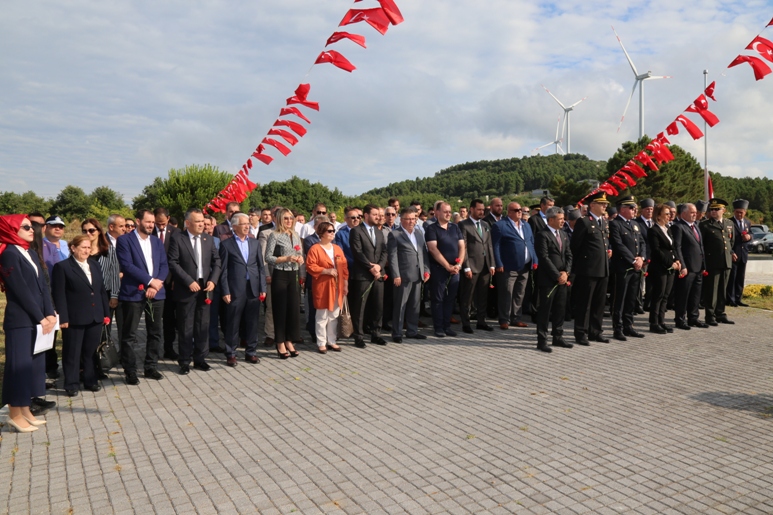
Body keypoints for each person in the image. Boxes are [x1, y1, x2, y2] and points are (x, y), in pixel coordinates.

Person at [0, 215, 57, 432]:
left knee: (32, 367)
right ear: (12, 229)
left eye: (31, 226)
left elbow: (43, 285)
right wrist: (40, 317)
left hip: (37, 320)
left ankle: (25, 410)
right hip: (21, 321)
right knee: (18, 368)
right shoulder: (9, 254)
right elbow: (20, 291)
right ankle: (15, 414)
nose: (32, 229)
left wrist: (50, 313)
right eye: (26, 226)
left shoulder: (30, 252)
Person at [51, 235, 111, 396]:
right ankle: (71, 383)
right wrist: (63, 317)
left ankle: (90, 380)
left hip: (95, 316)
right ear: (73, 248)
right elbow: (59, 295)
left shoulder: (94, 264)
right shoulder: (62, 267)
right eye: (83, 247)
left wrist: (106, 313)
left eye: (88, 247)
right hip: (74, 317)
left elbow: (100, 291)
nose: (86, 250)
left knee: (90, 351)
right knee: (72, 351)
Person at [116, 209, 169, 385]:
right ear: (138, 221)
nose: (151, 225)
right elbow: (127, 265)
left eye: (153, 222)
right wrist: (150, 281)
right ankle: (130, 370)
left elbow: (164, 264)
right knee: (129, 334)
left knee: (155, 332)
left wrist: (157, 283)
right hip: (133, 293)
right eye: (148, 222)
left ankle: (151, 367)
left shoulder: (156, 241)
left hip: (157, 292)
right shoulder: (124, 240)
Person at [167, 208, 222, 374]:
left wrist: (213, 280)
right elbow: (173, 263)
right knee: (186, 326)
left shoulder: (208, 239)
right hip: (186, 288)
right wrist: (188, 281)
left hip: (205, 288)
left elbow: (217, 261)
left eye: (202, 221)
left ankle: (200, 359)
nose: (202, 224)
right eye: (198, 222)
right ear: (188, 223)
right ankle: (184, 361)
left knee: (202, 325)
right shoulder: (178, 239)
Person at [219, 213, 267, 365]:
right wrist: (225, 290)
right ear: (234, 227)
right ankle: (231, 353)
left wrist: (262, 287)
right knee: (233, 322)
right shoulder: (226, 245)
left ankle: (251, 352)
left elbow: (260, 267)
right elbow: (223, 270)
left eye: (248, 223)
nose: (247, 226)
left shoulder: (254, 243)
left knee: (252, 322)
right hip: (235, 289)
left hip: (252, 288)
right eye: (243, 224)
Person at [570, 192, 612, 345]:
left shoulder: (604, 222)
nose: (605, 206)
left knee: (599, 304)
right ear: (592, 205)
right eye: (602, 204)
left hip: (603, 268)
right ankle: (581, 333)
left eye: (605, 204)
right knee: (585, 304)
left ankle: (596, 331)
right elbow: (575, 246)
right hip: (588, 269)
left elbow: (605, 242)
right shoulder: (584, 222)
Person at [387, 207, 430, 342]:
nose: (412, 221)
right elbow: (392, 257)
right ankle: (397, 333)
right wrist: (396, 275)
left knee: (415, 305)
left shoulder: (418, 233)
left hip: (418, 275)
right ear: (402, 219)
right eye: (409, 219)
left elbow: (423, 253)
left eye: (414, 219)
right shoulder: (395, 234)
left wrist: (426, 270)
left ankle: (412, 331)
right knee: (400, 306)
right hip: (403, 276)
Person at [491, 202, 536, 330]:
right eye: (517, 210)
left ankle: (516, 318)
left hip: (525, 266)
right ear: (509, 212)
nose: (520, 212)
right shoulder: (500, 226)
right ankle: (504, 319)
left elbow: (531, 243)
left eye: (521, 210)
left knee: (520, 293)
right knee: (506, 293)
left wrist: (534, 259)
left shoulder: (526, 225)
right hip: (508, 266)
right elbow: (496, 246)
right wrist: (499, 263)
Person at [265, 209, 303, 358]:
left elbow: (299, 253)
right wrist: (286, 258)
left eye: (291, 218)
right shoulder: (274, 235)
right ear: (280, 219)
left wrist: (300, 259)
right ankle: (279, 342)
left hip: (293, 273)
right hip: (280, 274)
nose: (289, 221)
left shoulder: (295, 235)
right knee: (280, 310)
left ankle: (289, 340)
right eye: (286, 218)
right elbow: (268, 257)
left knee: (293, 310)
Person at [348, 204, 388, 348]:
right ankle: (358, 336)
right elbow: (357, 253)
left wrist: (379, 266)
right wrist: (371, 267)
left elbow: (384, 251)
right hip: (363, 275)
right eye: (375, 214)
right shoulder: (356, 231)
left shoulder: (379, 232)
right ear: (366, 215)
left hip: (378, 275)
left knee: (378, 306)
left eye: (379, 214)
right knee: (360, 307)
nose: (378, 217)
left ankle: (376, 334)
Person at [305, 221, 349, 353]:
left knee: (334, 314)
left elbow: (344, 267)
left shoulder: (337, 248)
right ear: (322, 233)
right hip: (323, 286)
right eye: (329, 231)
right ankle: (321, 342)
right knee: (322, 315)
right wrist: (326, 271)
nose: (332, 233)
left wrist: (345, 283)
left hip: (337, 286)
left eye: (333, 230)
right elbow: (310, 266)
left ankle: (332, 340)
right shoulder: (315, 248)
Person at [534, 207, 573, 352]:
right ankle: (542, 340)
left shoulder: (563, 234)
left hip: (563, 279)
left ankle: (558, 336)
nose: (563, 221)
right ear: (551, 220)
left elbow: (569, 254)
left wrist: (566, 273)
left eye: (564, 218)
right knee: (545, 310)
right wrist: (557, 275)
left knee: (560, 309)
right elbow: (543, 258)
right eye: (560, 219)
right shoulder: (542, 235)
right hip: (548, 280)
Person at [609, 196, 647, 341]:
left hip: (636, 267)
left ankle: (628, 325)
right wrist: (632, 260)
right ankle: (617, 328)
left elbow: (642, 242)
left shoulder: (634, 224)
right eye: (632, 208)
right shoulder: (615, 224)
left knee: (631, 298)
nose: (634, 210)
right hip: (623, 267)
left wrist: (641, 258)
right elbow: (618, 245)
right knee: (620, 299)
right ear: (623, 209)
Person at [424, 202, 465, 337]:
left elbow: (462, 247)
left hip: (455, 270)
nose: (448, 214)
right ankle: (438, 327)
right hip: (439, 269)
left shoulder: (455, 227)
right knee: (438, 299)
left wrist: (458, 265)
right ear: (437, 212)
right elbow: (433, 249)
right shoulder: (432, 229)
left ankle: (447, 326)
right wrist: (447, 266)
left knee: (450, 299)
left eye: (449, 211)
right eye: (445, 211)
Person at [458, 199, 495, 333]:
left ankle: (481, 321)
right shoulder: (464, 225)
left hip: (485, 266)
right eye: (479, 209)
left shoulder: (485, 224)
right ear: (471, 209)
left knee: (483, 296)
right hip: (471, 266)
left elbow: (489, 245)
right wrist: (466, 266)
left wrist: (492, 264)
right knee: (467, 297)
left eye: (483, 209)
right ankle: (466, 323)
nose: (481, 212)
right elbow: (464, 247)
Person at [672, 203, 707, 330]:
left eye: (695, 212)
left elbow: (700, 246)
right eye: (692, 212)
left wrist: (703, 265)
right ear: (684, 213)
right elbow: (677, 247)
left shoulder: (696, 226)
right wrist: (683, 265)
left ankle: (693, 317)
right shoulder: (678, 227)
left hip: (698, 267)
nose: (695, 214)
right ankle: (680, 319)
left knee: (695, 295)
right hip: (687, 267)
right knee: (683, 295)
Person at [647, 204, 681, 334]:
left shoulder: (668, 229)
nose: (669, 216)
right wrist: (669, 263)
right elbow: (656, 251)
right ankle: (654, 322)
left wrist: (677, 260)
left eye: (670, 214)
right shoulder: (653, 230)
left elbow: (673, 247)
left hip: (670, 267)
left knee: (665, 295)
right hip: (660, 267)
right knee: (658, 295)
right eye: (666, 214)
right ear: (659, 215)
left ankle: (661, 321)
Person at [700, 198, 735, 326]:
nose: (714, 211)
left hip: (726, 261)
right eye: (712, 209)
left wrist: (731, 254)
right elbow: (702, 244)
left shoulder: (729, 223)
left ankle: (720, 313)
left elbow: (731, 242)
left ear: (723, 210)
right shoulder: (705, 225)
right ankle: (710, 316)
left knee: (722, 290)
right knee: (712, 291)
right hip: (712, 262)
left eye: (717, 209)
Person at [153, 207, 179, 361]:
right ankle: (153, 350)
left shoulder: (176, 233)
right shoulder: (149, 232)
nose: (161, 227)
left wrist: (175, 279)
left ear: (168, 219)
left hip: (170, 282)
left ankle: (168, 348)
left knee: (169, 318)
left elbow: (179, 258)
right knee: (155, 320)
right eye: (158, 224)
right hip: (152, 282)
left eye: (163, 223)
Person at [302, 214, 329, 343]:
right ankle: (313, 332)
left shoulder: (331, 240)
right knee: (314, 308)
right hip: (314, 279)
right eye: (321, 226)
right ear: (315, 227)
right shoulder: (309, 240)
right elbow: (314, 260)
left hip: (329, 280)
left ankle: (326, 333)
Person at [727, 199, 751, 307]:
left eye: (741, 212)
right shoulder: (729, 222)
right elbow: (726, 240)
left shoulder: (747, 222)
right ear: (734, 212)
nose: (739, 214)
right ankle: (730, 299)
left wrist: (749, 237)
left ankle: (738, 298)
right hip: (734, 254)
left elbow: (751, 233)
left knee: (740, 277)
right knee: (732, 277)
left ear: (745, 212)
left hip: (743, 254)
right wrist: (731, 252)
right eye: (737, 212)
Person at [635, 199, 655, 313]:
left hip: (654, 257)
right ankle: (638, 304)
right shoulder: (637, 223)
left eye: (651, 209)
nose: (649, 211)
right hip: (644, 256)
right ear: (642, 210)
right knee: (640, 282)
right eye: (647, 209)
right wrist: (643, 256)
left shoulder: (654, 222)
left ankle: (648, 303)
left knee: (651, 282)